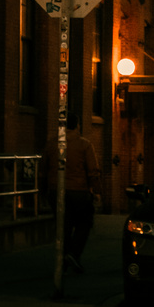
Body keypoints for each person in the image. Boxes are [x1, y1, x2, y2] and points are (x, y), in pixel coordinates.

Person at [45, 113, 100, 273]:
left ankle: (65, 257)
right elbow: (92, 171)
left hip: (56, 190)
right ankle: (74, 254)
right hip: (78, 191)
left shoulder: (51, 144)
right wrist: (97, 191)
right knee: (85, 222)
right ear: (77, 125)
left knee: (63, 225)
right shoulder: (84, 145)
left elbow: (43, 170)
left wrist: (44, 191)